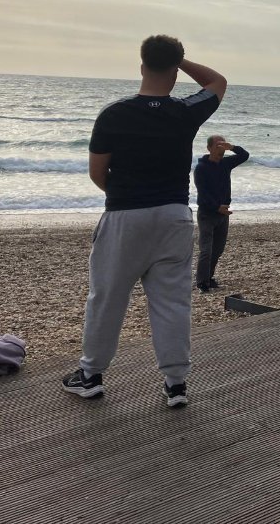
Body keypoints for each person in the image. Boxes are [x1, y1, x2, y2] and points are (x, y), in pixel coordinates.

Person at [62, 35, 226, 408]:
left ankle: (90, 376)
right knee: (172, 302)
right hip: (173, 216)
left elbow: (97, 172)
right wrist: (180, 61)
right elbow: (217, 82)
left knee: (107, 297)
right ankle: (175, 384)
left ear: (141, 66)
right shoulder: (185, 112)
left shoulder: (114, 114)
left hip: (124, 215)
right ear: (174, 71)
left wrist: (123, 196)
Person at [193, 135, 250, 293]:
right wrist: (217, 207)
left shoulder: (225, 164)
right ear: (209, 148)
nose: (221, 149)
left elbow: (244, 155)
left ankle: (209, 278)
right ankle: (202, 282)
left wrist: (232, 147)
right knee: (206, 249)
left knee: (218, 249)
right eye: (217, 145)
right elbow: (203, 195)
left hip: (223, 214)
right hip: (207, 214)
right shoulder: (201, 168)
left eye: (222, 145)